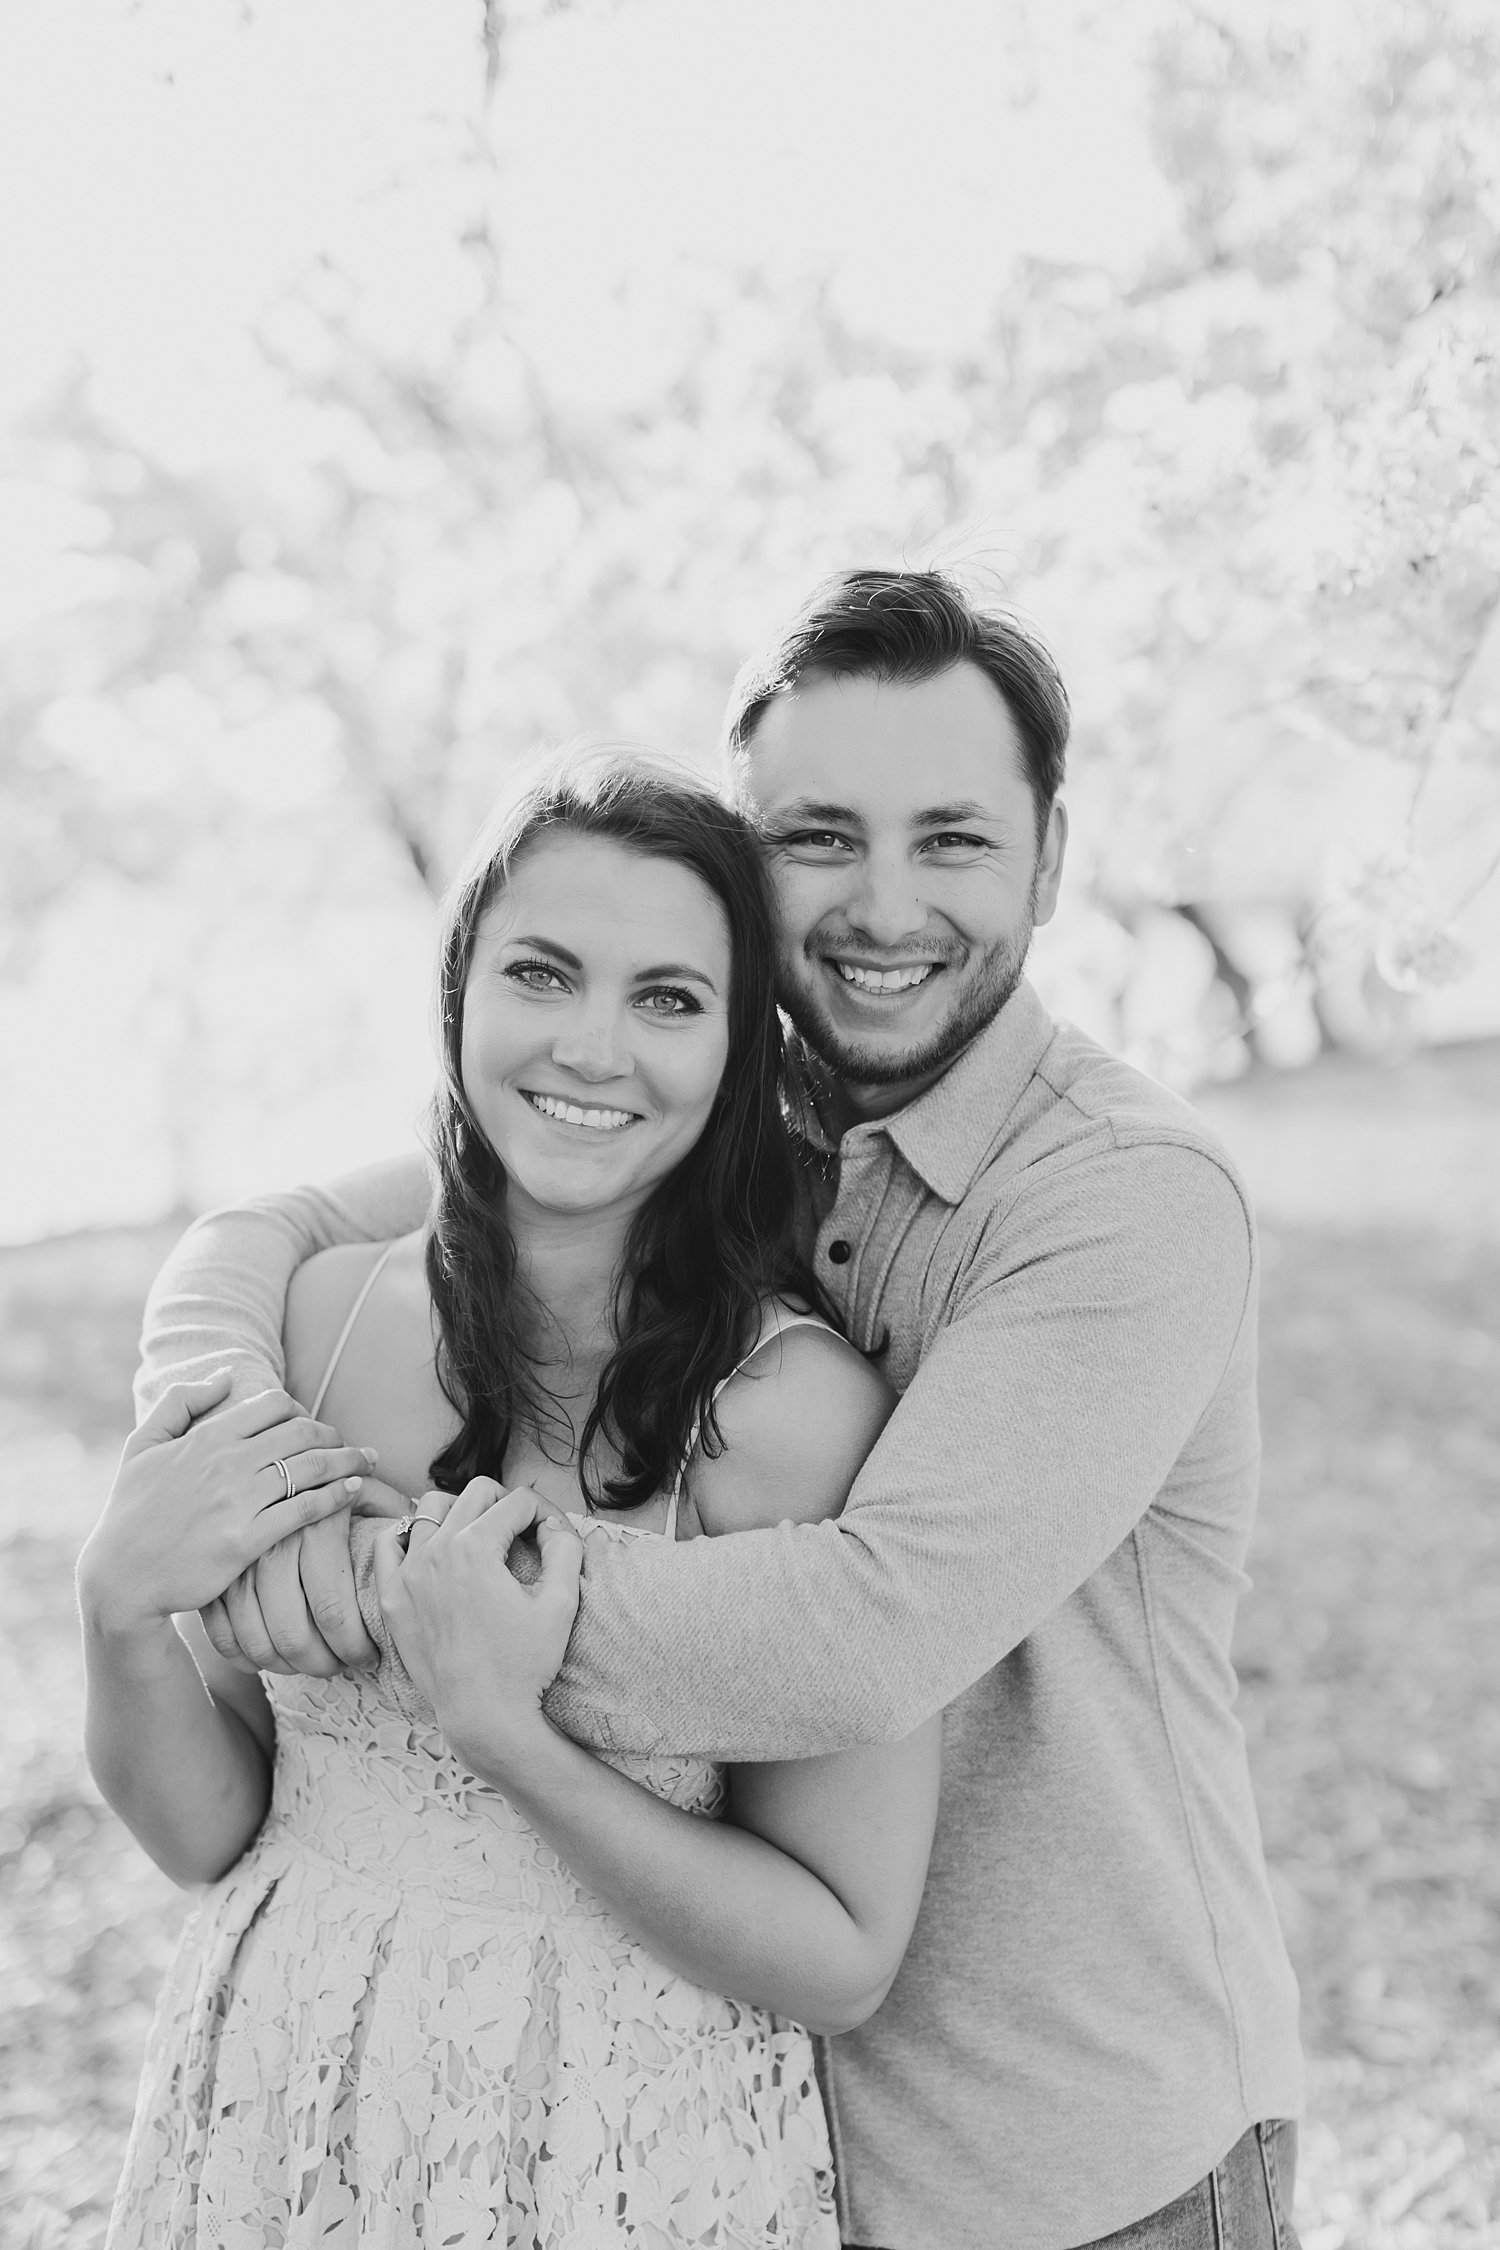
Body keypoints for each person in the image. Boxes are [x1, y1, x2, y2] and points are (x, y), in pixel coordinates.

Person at [133, 570, 1305, 2250]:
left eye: (954, 840)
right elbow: (296, 1227)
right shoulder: (711, 1115)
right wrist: (205, 1426)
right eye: (819, 835)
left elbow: (865, 1630)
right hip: (733, 2124)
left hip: (1067, 2142)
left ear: (1052, 857)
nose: (883, 906)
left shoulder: (1124, 1200)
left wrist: (395, 1585)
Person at [81, 756, 942, 2248]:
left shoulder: (792, 1418)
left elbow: (841, 1954)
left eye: (669, 998)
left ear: (741, 1049)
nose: (594, 1049)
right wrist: (116, 1613)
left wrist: (514, 1740)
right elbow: (210, 1828)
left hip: (623, 2137)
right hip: (283, 2095)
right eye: (543, 972)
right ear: (459, 989)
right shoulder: (320, 1324)